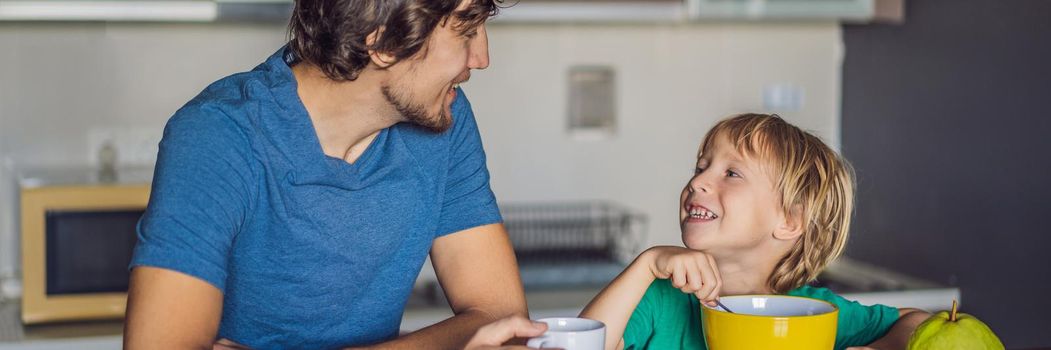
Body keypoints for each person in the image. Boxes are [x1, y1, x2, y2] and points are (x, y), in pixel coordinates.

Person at [123, 0, 528, 348]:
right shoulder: (219, 135)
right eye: (466, 31)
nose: (482, 58)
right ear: (383, 42)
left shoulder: (447, 120)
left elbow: (503, 321)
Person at [578, 113, 932, 350]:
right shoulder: (658, 297)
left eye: (731, 174)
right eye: (701, 168)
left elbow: (918, 322)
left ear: (790, 221)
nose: (697, 181)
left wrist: (877, 349)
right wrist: (647, 264)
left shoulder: (815, 314)